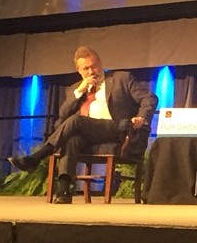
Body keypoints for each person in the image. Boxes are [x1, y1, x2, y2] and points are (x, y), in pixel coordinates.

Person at [9, 46, 155, 202]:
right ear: (79, 71)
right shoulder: (75, 89)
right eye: (86, 69)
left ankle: (38, 156)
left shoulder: (122, 78)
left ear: (100, 63)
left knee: (77, 120)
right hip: (89, 133)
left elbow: (150, 98)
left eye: (94, 66)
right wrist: (80, 90)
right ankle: (64, 191)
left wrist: (141, 117)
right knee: (72, 140)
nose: (91, 71)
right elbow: (63, 115)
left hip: (117, 128)